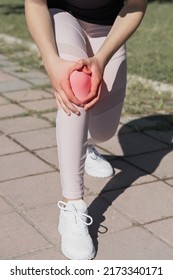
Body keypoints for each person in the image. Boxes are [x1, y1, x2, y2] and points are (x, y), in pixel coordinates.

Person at [25, 0, 148, 260]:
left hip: (110, 27)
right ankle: (72, 206)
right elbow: (34, 2)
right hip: (63, 16)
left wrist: (101, 60)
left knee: (105, 130)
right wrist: (51, 62)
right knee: (77, 84)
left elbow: (135, 5)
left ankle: (85, 144)